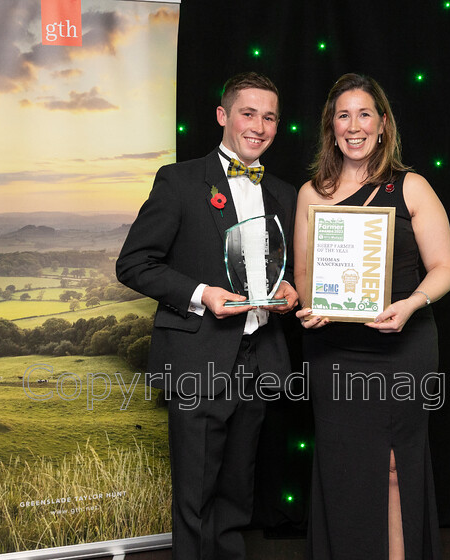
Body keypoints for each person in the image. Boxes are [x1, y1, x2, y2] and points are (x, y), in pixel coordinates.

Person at [116, 72, 298, 560]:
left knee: (238, 494)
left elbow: (288, 269)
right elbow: (133, 264)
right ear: (223, 116)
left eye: (269, 117)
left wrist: (291, 290)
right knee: (195, 497)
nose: (258, 126)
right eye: (248, 113)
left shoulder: (285, 192)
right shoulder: (178, 181)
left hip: (259, 359)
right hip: (199, 357)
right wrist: (202, 294)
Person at [293, 73, 450, 559]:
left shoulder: (412, 187)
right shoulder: (310, 194)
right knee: (343, 471)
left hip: (402, 350)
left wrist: (412, 304)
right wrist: (312, 307)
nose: (354, 126)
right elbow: (304, 273)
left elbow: (445, 268)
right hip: (334, 355)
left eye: (365, 114)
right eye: (343, 115)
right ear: (331, 126)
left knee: (392, 468)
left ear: (383, 124)